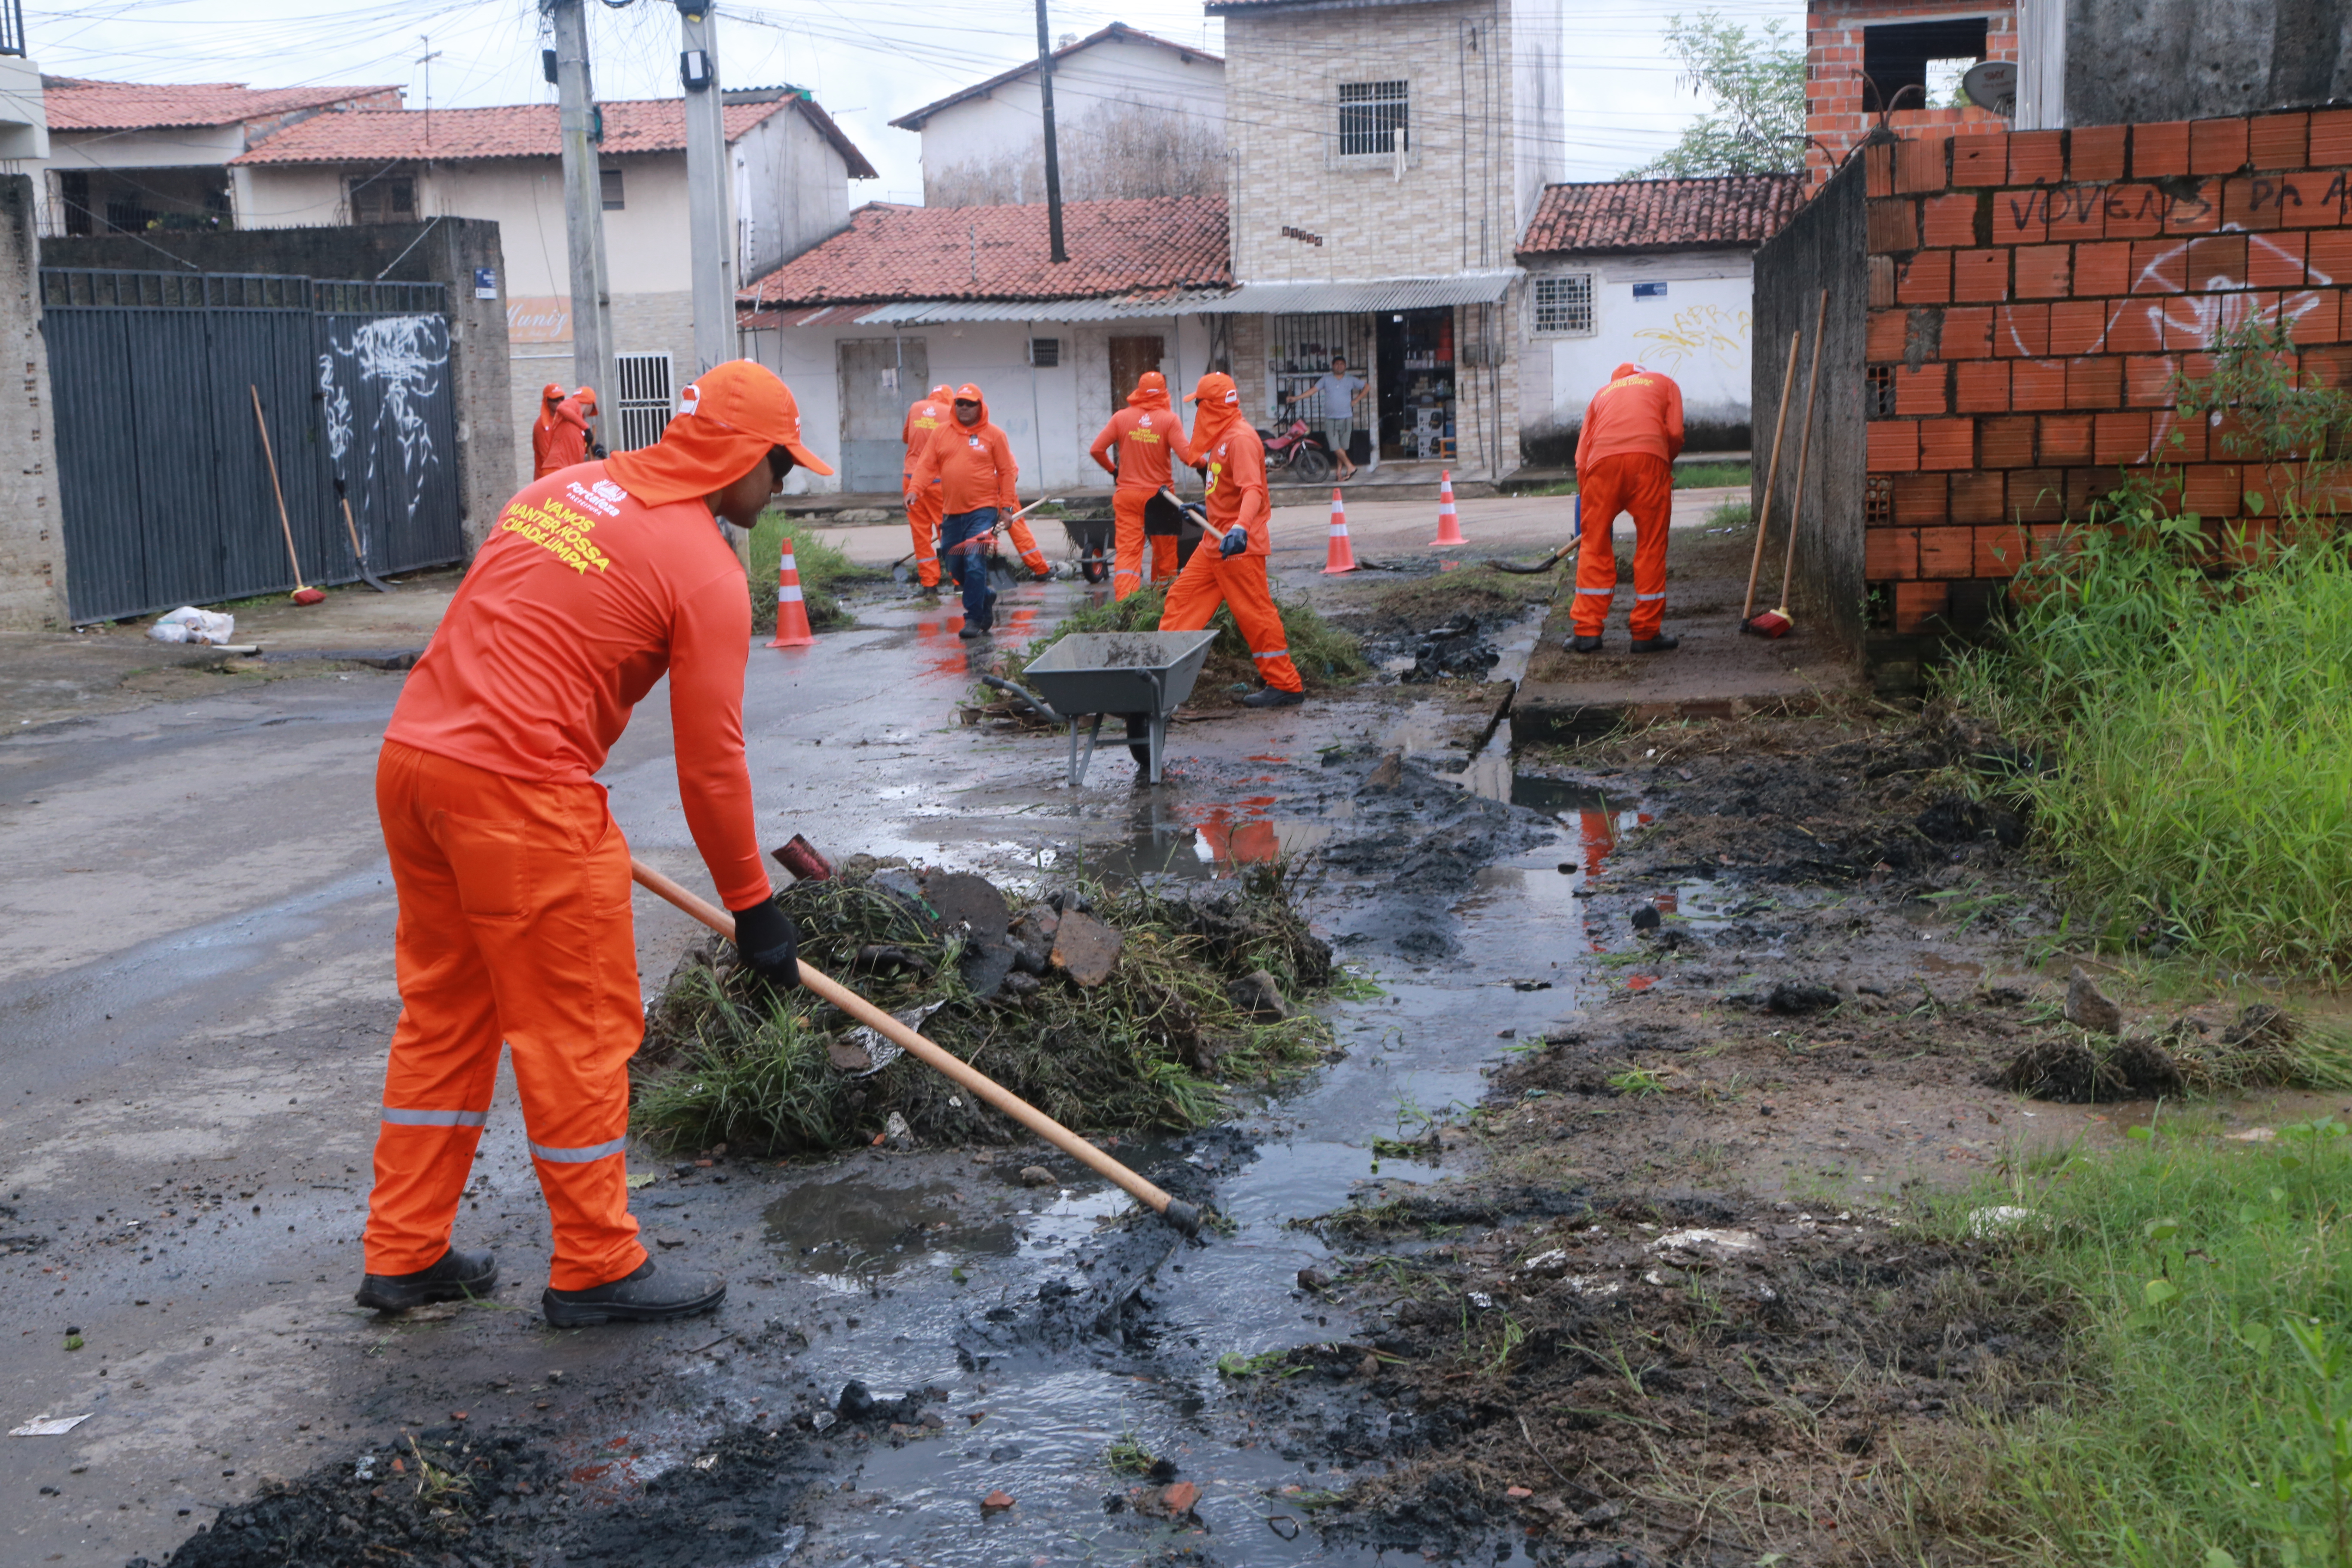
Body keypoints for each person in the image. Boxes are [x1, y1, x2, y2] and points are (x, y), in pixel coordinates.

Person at [358, 359, 832, 1328]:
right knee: (576, 1029)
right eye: (782, 466)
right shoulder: (706, 571)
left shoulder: (555, 491)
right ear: (744, 456)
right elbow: (711, 767)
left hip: (416, 767)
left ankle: (404, 1252)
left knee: (446, 1015)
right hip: (524, 795)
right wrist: (754, 908)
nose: (783, 488)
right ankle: (596, 1265)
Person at [1159, 372, 1304, 708]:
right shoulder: (1224, 437)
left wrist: (1240, 528)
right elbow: (1228, 491)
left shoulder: (1240, 439)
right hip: (1215, 542)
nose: (1197, 412)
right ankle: (1161, 677)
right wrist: (1207, 511)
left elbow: (1253, 490)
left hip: (1238, 546)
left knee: (1255, 615)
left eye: (1199, 405)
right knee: (1181, 599)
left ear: (1211, 406)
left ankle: (1285, 685)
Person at [1570, 361, 1684, 654]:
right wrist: (1662, 462)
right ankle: (1646, 633)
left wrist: (1588, 500)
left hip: (1601, 465)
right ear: (1642, 376)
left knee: (1594, 546)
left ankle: (1587, 633)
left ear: (1616, 381)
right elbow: (1674, 433)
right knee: (1651, 546)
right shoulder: (1665, 383)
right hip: (1649, 462)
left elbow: (1582, 457)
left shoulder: (1601, 395)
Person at [913, 383, 1021, 637]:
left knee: (974, 562)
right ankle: (986, 596)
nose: (964, 407)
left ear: (980, 407)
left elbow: (1007, 472)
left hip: (983, 511)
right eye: (959, 403)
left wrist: (1006, 508)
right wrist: (914, 490)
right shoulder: (941, 433)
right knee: (955, 567)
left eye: (970, 404)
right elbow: (926, 465)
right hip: (951, 513)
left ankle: (972, 618)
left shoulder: (995, 435)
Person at [1087, 369, 1192, 600]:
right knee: (1165, 554)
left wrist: (1114, 471)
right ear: (1164, 392)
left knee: (1128, 552)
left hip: (1127, 496)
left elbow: (1096, 449)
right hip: (1161, 499)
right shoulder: (1169, 420)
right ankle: (1163, 600)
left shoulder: (1121, 417)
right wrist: (1207, 464)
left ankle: (1126, 603)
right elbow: (1187, 456)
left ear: (1139, 391)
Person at [900, 383, 956, 593]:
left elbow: (906, 438)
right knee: (947, 530)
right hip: (937, 481)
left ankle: (929, 583)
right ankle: (958, 580)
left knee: (920, 534)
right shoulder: (950, 412)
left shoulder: (916, 407)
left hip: (911, 479)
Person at [1286, 355, 1366, 481]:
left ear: (1345, 366)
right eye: (1337, 364)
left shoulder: (1351, 379)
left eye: (1342, 364)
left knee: (1342, 448)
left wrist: (1356, 400)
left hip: (1347, 418)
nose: (1339, 366)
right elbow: (1313, 391)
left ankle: (1339, 473)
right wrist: (1296, 398)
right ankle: (1351, 467)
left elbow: (1367, 387)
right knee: (1335, 446)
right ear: (1333, 366)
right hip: (1331, 419)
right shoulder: (1326, 379)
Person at [530, 381, 591, 479]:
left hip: (563, 473)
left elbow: (568, 448)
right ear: (547, 401)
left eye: (562, 398)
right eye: (555, 400)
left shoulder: (564, 419)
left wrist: (588, 448)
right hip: (548, 478)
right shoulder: (543, 426)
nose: (559, 402)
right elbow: (548, 457)